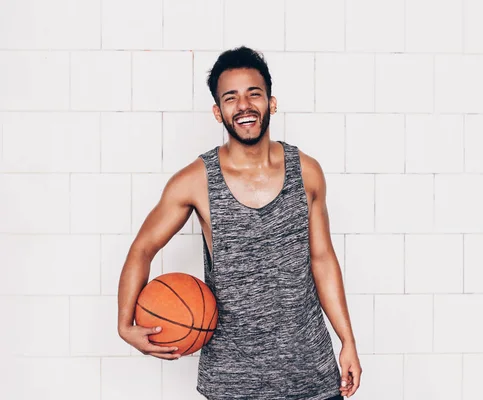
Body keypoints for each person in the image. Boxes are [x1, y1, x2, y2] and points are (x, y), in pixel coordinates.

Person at [117, 46, 361, 400]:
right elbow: (142, 248)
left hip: (312, 374)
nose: (243, 105)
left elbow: (322, 260)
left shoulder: (306, 172)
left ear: (271, 103)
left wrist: (348, 340)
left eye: (254, 94)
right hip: (232, 382)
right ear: (218, 112)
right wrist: (125, 325)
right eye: (231, 98)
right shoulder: (195, 181)